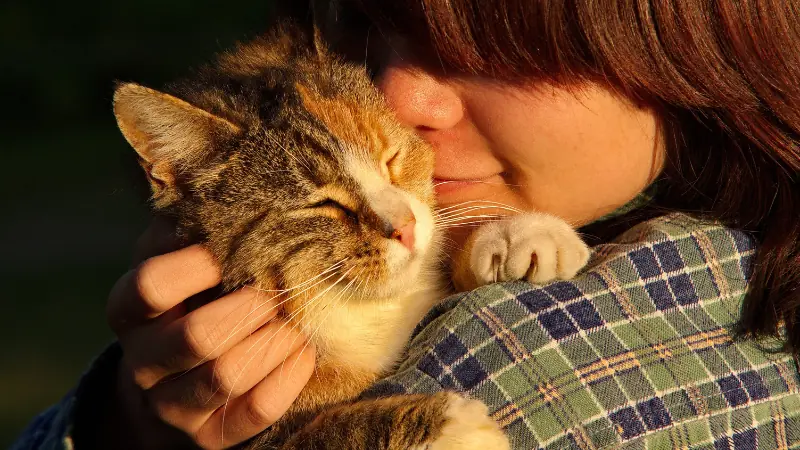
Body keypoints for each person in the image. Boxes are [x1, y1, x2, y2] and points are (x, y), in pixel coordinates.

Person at [13, 0, 800, 448]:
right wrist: (124, 418)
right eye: (364, 25)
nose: (397, 98)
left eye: (489, 48)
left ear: (690, 40)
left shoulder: (526, 371)